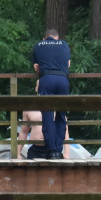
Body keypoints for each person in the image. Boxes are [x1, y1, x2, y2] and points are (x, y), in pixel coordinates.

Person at [17, 109, 69, 200]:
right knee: (32, 187)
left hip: (53, 149)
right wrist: (18, 153)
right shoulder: (29, 110)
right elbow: (24, 131)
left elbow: (65, 131)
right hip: (35, 149)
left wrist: (67, 152)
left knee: (52, 187)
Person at [31, 29, 71, 160]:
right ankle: (58, 150)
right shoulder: (64, 45)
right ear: (57, 37)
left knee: (48, 116)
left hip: (46, 80)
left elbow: (36, 67)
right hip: (62, 81)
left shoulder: (38, 45)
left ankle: (51, 150)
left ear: (45, 38)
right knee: (61, 115)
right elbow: (68, 65)